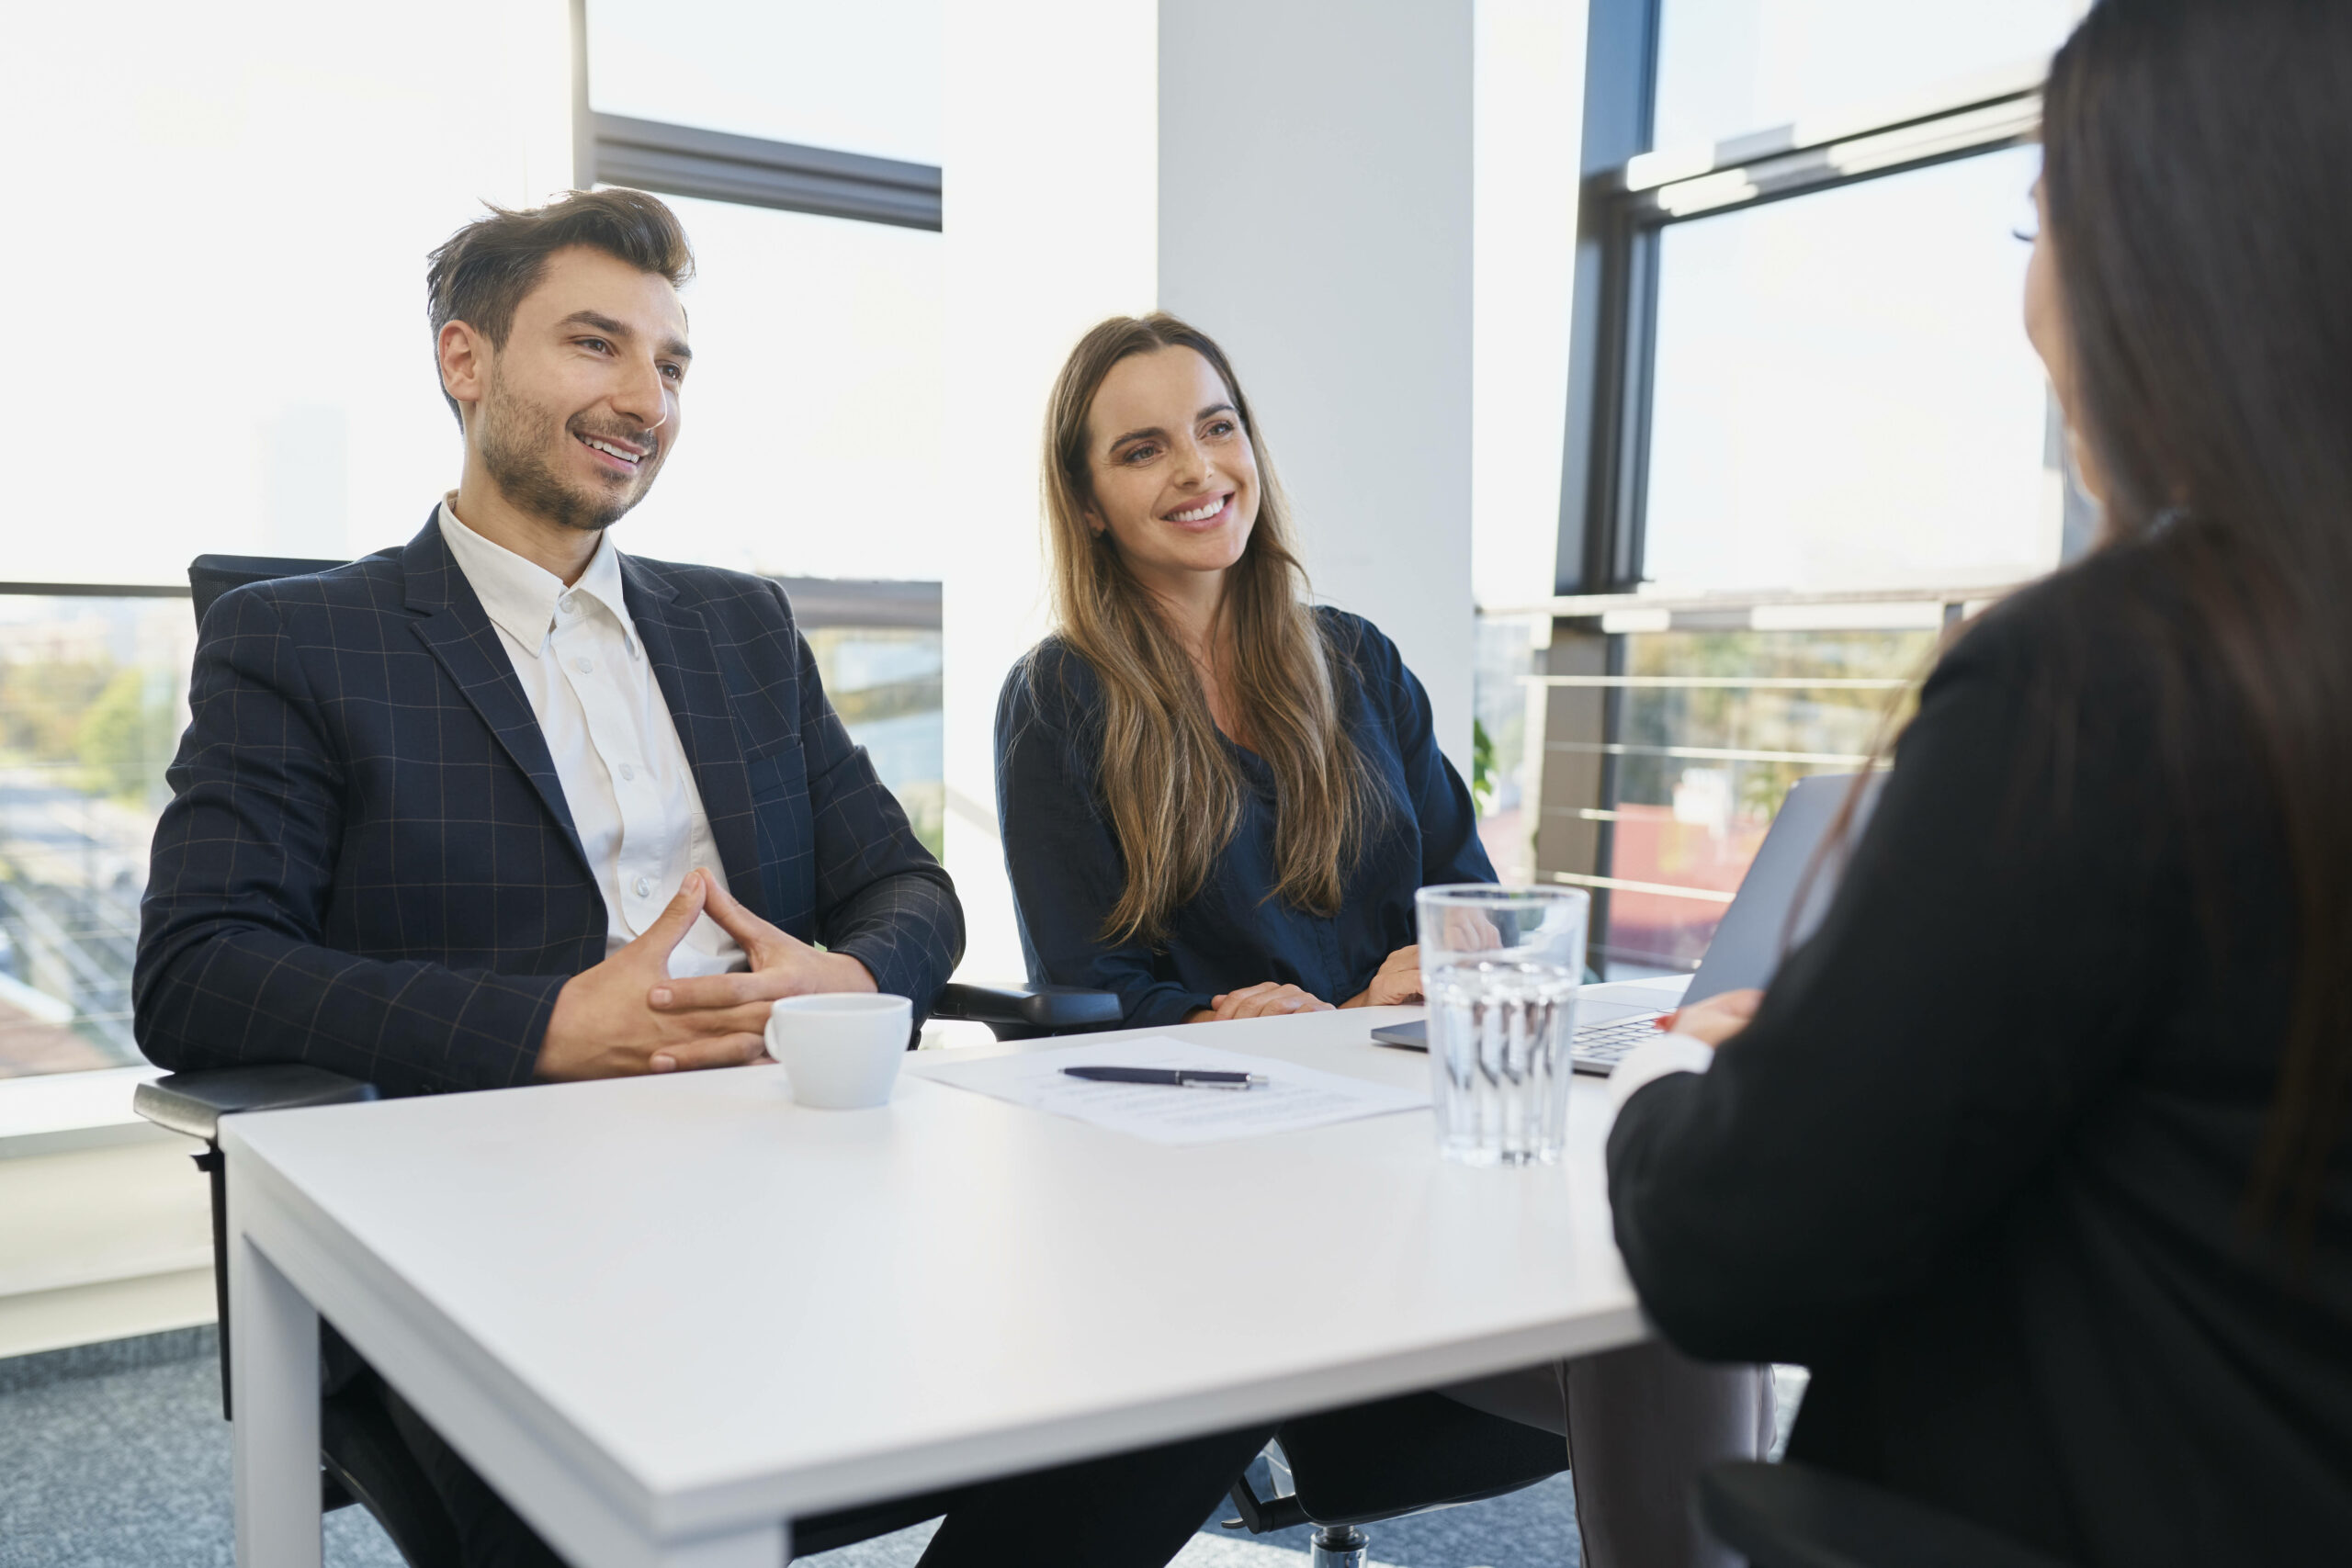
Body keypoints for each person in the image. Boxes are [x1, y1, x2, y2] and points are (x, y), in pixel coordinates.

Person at [132, 190, 1265, 1568]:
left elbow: (908, 890)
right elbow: (197, 971)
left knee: (1200, 1347)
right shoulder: (302, 641)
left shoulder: (737, 626)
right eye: (596, 346)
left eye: (670, 364)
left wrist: (844, 979)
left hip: (811, 1175)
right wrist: (552, 1028)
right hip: (502, 1226)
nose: (644, 397)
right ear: (464, 360)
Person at [1599, 2, 2352, 1563]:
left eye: (2038, 223)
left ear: (2179, 247)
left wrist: (1666, 1089)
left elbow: (1738, 1254)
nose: (2029, 303)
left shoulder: (2106, 681)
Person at [994, 310, 1772, 1568]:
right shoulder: (1061, 698)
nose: (1199, 472)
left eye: (1218, 427)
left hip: (1435, 1150)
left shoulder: (1353, 660)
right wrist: (1218, 1016)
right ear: (1087, 502)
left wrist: (1451, 964)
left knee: (1674, 1298)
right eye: (1142, 451)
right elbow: (1084, 991)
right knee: (1662, 1325)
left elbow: (1478, 912)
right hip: (1253, 1196)